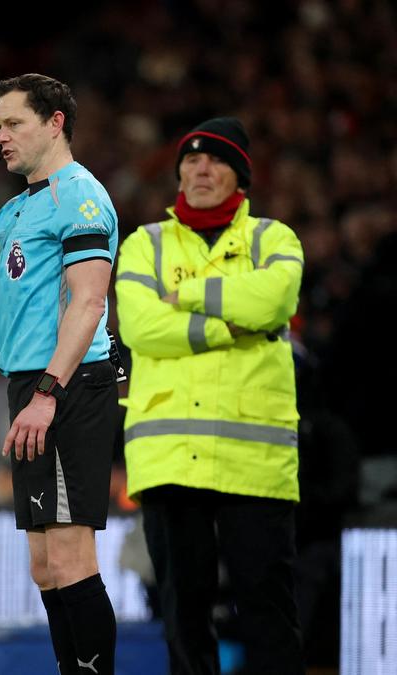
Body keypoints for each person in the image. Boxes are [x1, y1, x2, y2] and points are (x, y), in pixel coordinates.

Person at [0, 73, 120, 674]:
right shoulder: (16, 208)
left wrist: (47, 394)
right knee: (45, 566)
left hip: (68, 385)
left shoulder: (80, 197)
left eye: (13, 123)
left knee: (70, 557)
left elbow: (89, 303)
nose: (0, 137)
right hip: (32, 388)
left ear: (55, 122)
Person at [115, 117, 304, 674]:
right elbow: (140, 327)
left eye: (217, 160)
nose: (201, 169)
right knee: (183, 616)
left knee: (270, 612)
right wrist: (228, 326)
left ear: (241, 177)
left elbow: (273, 301)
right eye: (191, 160)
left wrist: (189, 294)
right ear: (178, 174)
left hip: (254, 459)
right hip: (170, 457)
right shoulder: (144, 242)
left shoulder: (273, 237)